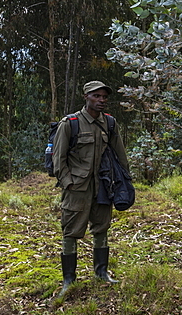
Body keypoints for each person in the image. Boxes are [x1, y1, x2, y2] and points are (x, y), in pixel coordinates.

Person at [52, 80, 129, 298]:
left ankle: (101, 273)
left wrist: (124, 182)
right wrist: (68, 183)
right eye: (97, 96)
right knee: (71, 231)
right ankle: (69, 280)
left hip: (103, 186)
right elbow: (59, 159)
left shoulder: (110, 124)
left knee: (102, 228)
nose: (101, 100)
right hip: (77, 187)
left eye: (104, 97)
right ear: (86, 97)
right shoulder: (71, 123)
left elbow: (120, 155)